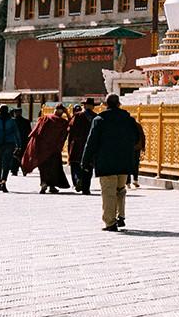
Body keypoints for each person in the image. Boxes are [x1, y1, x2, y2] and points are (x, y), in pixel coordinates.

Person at [81, 94, 145, 232]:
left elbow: (91, 142)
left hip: (106, 161)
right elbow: (136, 138)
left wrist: (85, 161)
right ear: (119, 104)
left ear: (105, 104)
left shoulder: (99, 120)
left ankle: (110, 222)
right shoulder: (128, 120)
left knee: (109, 191)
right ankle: (120, 216)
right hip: (124, 161)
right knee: (120, 190)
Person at [21, 104, 71, 194]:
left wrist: (33, 146)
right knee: (54, 168)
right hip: (54, 149)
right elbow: (71, 125)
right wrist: (67, 113)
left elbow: (36, 132)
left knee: (43, 167)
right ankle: (52, 186)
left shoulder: (46, 118)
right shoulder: (63, 122)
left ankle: (44, 183)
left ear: (55, 110)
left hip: (42, 148)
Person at [67, 99, 97, 195]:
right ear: (93, 106)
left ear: (84, 105)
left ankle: (78, 181)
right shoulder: (96, 117)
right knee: (88, 167)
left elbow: (70, 129)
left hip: (77, 145)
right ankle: (86, 188)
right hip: (91, 146)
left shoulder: (78, 116)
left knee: (75, 165)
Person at [11, 108, 31, 176]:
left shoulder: (12, 121)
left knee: (15, 156)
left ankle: (14, 170)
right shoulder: (26, 121)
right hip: (24, 141)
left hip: (15, 142)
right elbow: (29, 132)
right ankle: (24, 169)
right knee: (23, 156)